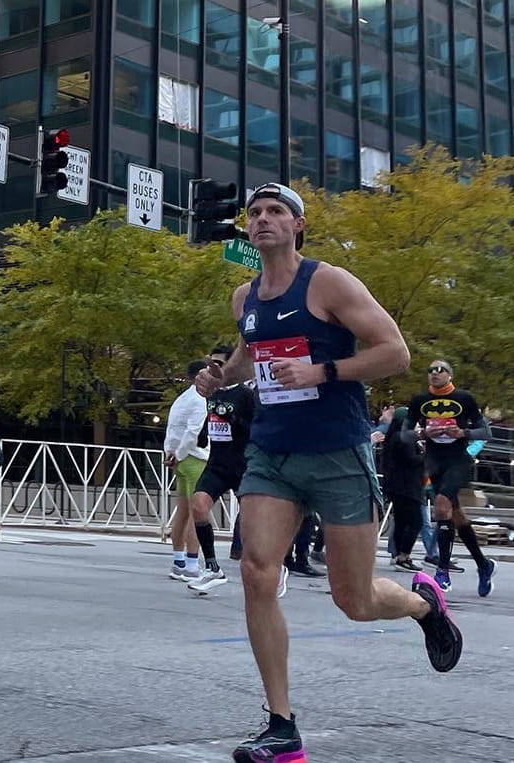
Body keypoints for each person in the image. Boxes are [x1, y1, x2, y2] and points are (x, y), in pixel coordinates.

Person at [195, 183, 461, 762]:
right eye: (255, 213)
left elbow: (395, 353)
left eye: (275, 212)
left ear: (298, 225)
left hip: (338, 454)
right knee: (258, 574)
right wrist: (219, 373)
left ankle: (423, 603)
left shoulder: (328, 282)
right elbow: (249, 355)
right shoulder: (246, 296)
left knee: (355, 599)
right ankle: (281, 726)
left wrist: (322, 371)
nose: (262, 219)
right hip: (272, 453)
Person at [407, 360, 496, 596]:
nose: (435, 374)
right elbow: (403, 435)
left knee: (441, 506)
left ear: (450, 375)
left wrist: (463, 433)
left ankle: (442, 570)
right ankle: (483, 564)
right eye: (431, 370)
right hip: (435, 461)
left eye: (440, 370)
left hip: (458, 459)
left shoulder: (464, 398)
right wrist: (423, 432)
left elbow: (486, 432)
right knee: (454, 514)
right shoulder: (420, 401)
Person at [186, 347, 252, 594]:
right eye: (209, 363)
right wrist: (203, 435)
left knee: (252, 522)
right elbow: (212, 419)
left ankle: (266, 566)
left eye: (218, 364)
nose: (211, 368)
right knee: (198, 506)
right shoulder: (211, 394)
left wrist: (234, 420)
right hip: (217, 464)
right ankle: (212, 567)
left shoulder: (244, 394)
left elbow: (255, 428)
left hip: (243, 464)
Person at [164, 360, 208, 581]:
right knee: (196, 512)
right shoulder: (200, 400)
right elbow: (193, 432)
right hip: (194, 458)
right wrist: (180, 454)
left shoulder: (181, 399)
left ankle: (179, 561)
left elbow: (172, 429)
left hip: (179, 459)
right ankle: (192, 564)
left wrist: (171, 454)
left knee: (182, 511)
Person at [382, 406, 426, 572]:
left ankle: (397, 553)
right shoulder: (404, 439)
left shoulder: (393, 437)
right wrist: (425, 455)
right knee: (415, 521)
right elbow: (412, 460)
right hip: (408, 487)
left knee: (401, 521)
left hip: (397, 486)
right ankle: (404, 555)